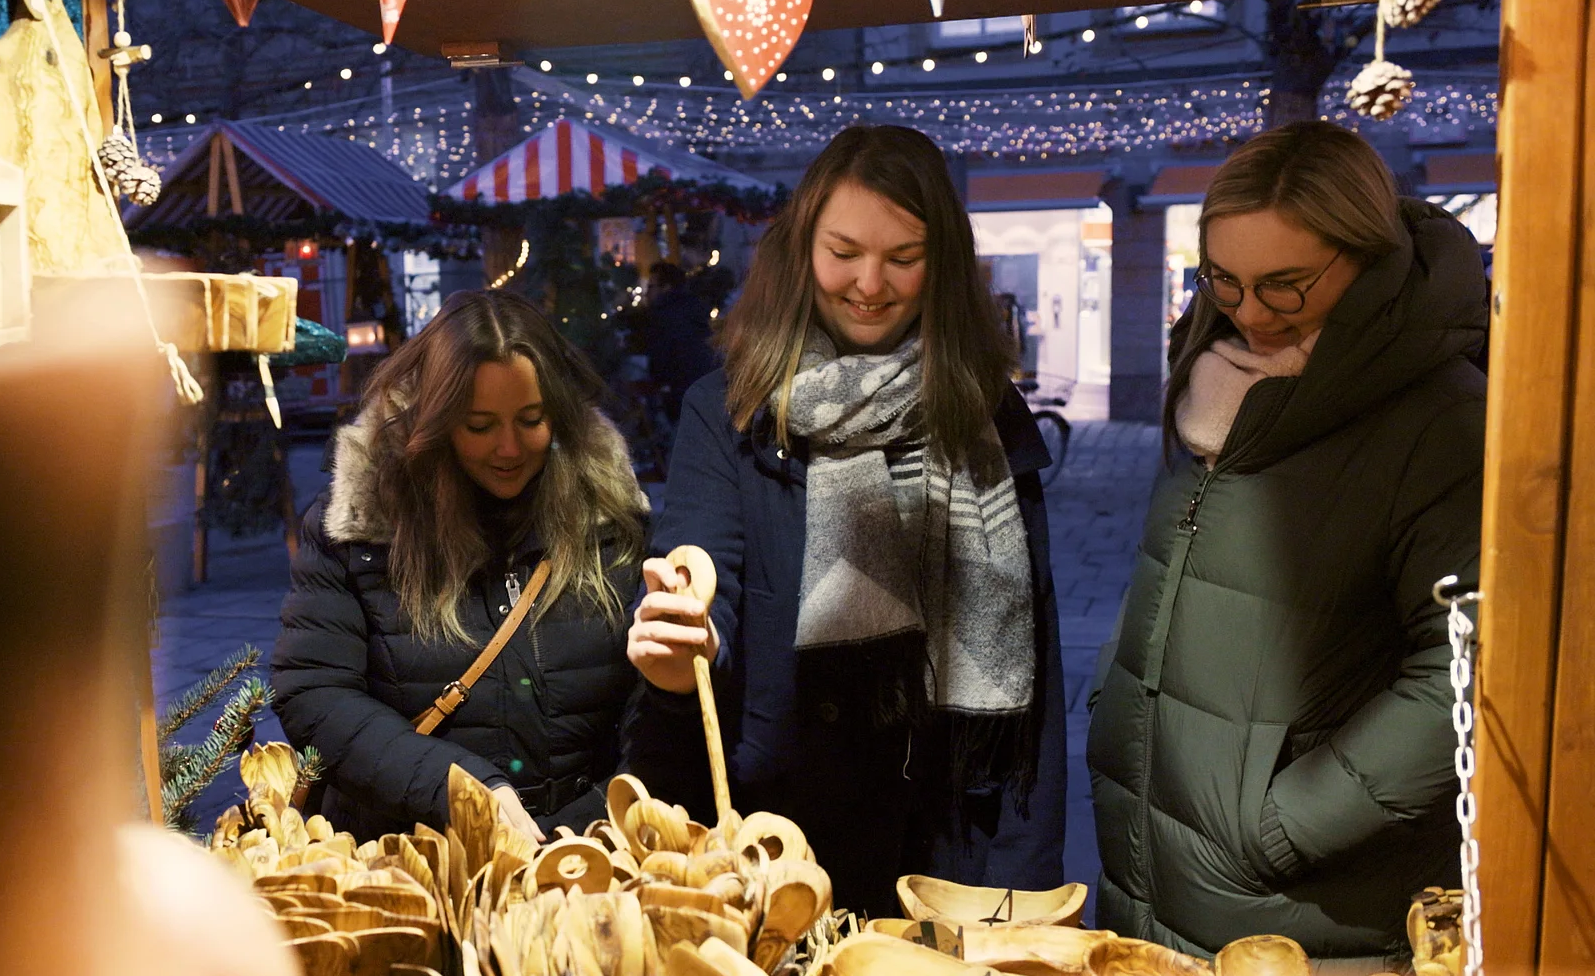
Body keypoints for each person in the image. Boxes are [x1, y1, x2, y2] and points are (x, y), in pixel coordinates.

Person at [622, 124, 1066, 919]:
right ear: (802, 250)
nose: (871, 283)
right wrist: (688, 630)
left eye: (904, 257)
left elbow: (1034, 679)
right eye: (844, 251)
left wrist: (1024, 901)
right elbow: (702, 572)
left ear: (944, 265)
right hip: (778, 843)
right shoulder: (730, 410)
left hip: (946, 840)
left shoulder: (983, 417)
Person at [1087, 119, 1487, 968]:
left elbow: (1465, 664)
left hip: (1302, 901)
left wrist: (1277, 827)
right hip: (1159, 851)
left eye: (1287, 286)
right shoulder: (1218, 374)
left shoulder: (1440, 417)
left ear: (1367, 258)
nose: (1251, 312)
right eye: (1223, 281)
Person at [272, 290, 649, 841]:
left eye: (531, 419)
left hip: (585, 860)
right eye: (479, 425)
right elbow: (314, 692)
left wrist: (585, 825)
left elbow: (655, 712)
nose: (508, 448)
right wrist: (458, 788)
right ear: (435, 420)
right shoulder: (361, 528)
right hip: (415, 857)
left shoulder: (610, 522)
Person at [639, 260, 722, 426]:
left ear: (666, 287)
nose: (647, 293)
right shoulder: (694, 308)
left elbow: (660, 362)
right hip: (706, 391)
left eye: (651, 287)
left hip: (681, 394)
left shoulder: (664, 316)